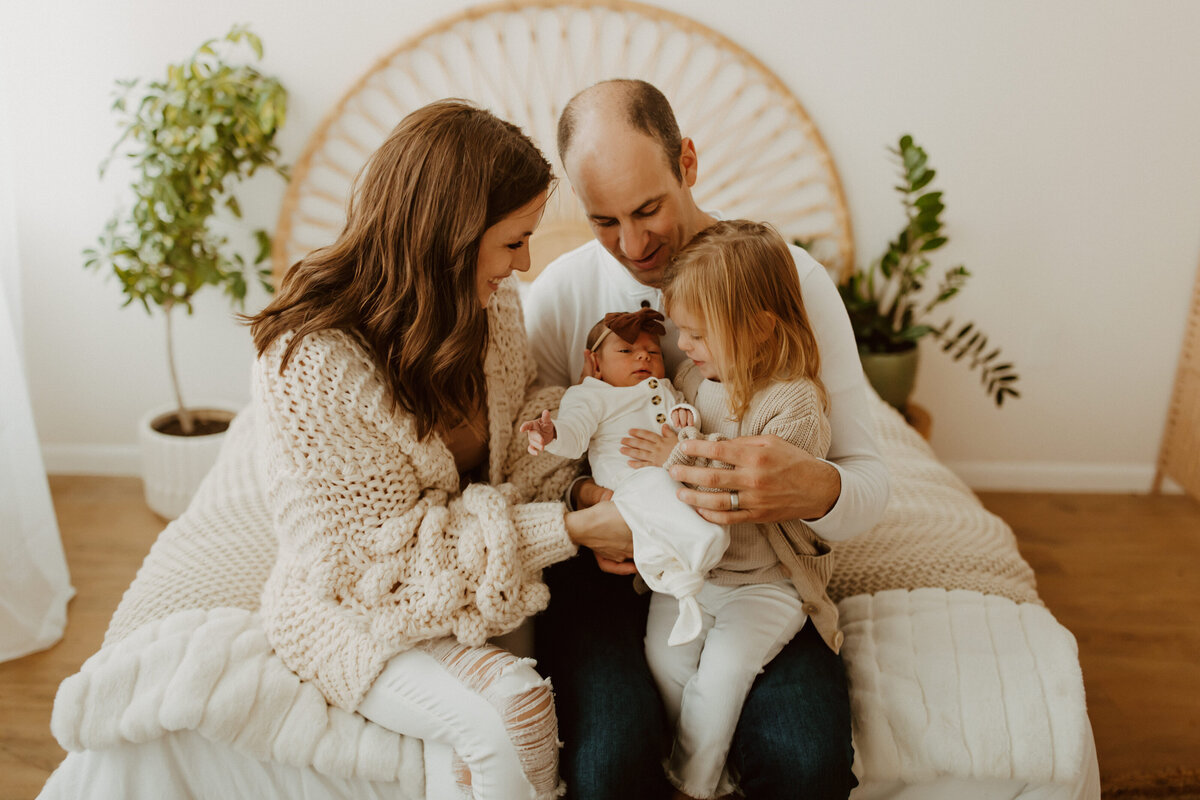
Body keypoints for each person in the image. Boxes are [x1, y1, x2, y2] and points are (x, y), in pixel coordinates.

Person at [245, 100, 632, 800]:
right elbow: (377, 566)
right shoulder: (309, 365)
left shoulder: (491, 308)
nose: (526, 263)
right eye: (514, 240)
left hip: (478, 581)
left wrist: (578, 484)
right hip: (359, 606)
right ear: (450, 236)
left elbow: (517, 454)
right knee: (514, 708)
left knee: (510, 730)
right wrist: (569, 528)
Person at [524, 79, 890, 799]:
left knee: (806, 764)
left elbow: (868, 481)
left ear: (687, 162)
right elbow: (530, 465)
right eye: (603, 220)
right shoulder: (560, 295)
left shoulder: (789, 284)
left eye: (648, 208)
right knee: (607, 769)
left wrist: (815, 487)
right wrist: (587, 501)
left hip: (760, 572)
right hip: (613, 581)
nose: (632, 245)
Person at [630, 219, 837, 799]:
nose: (685, 346)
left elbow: (746, 493)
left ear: (759, 327)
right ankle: (707, 768)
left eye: (698, 334)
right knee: (664, 661)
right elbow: (674, 416)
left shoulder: (795, 402)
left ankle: (690, 787)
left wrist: (679, 455)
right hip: (700, 573)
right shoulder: (696, 376)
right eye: (682, 333)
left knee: (720, 679)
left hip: (766, 583)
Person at [520, 308, 726, 648]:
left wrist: (684, 418)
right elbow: (575, 434)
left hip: (673, 478)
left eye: (653, 352)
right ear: (595, 363)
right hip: (627, 488)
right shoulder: (592, 395)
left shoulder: (665, 387)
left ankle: (680, 569)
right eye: (626, 351)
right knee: (655, 490)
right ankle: (693, 553)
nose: (643, 355)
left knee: (678, 496)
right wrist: (551, 431)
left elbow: (684, 422)